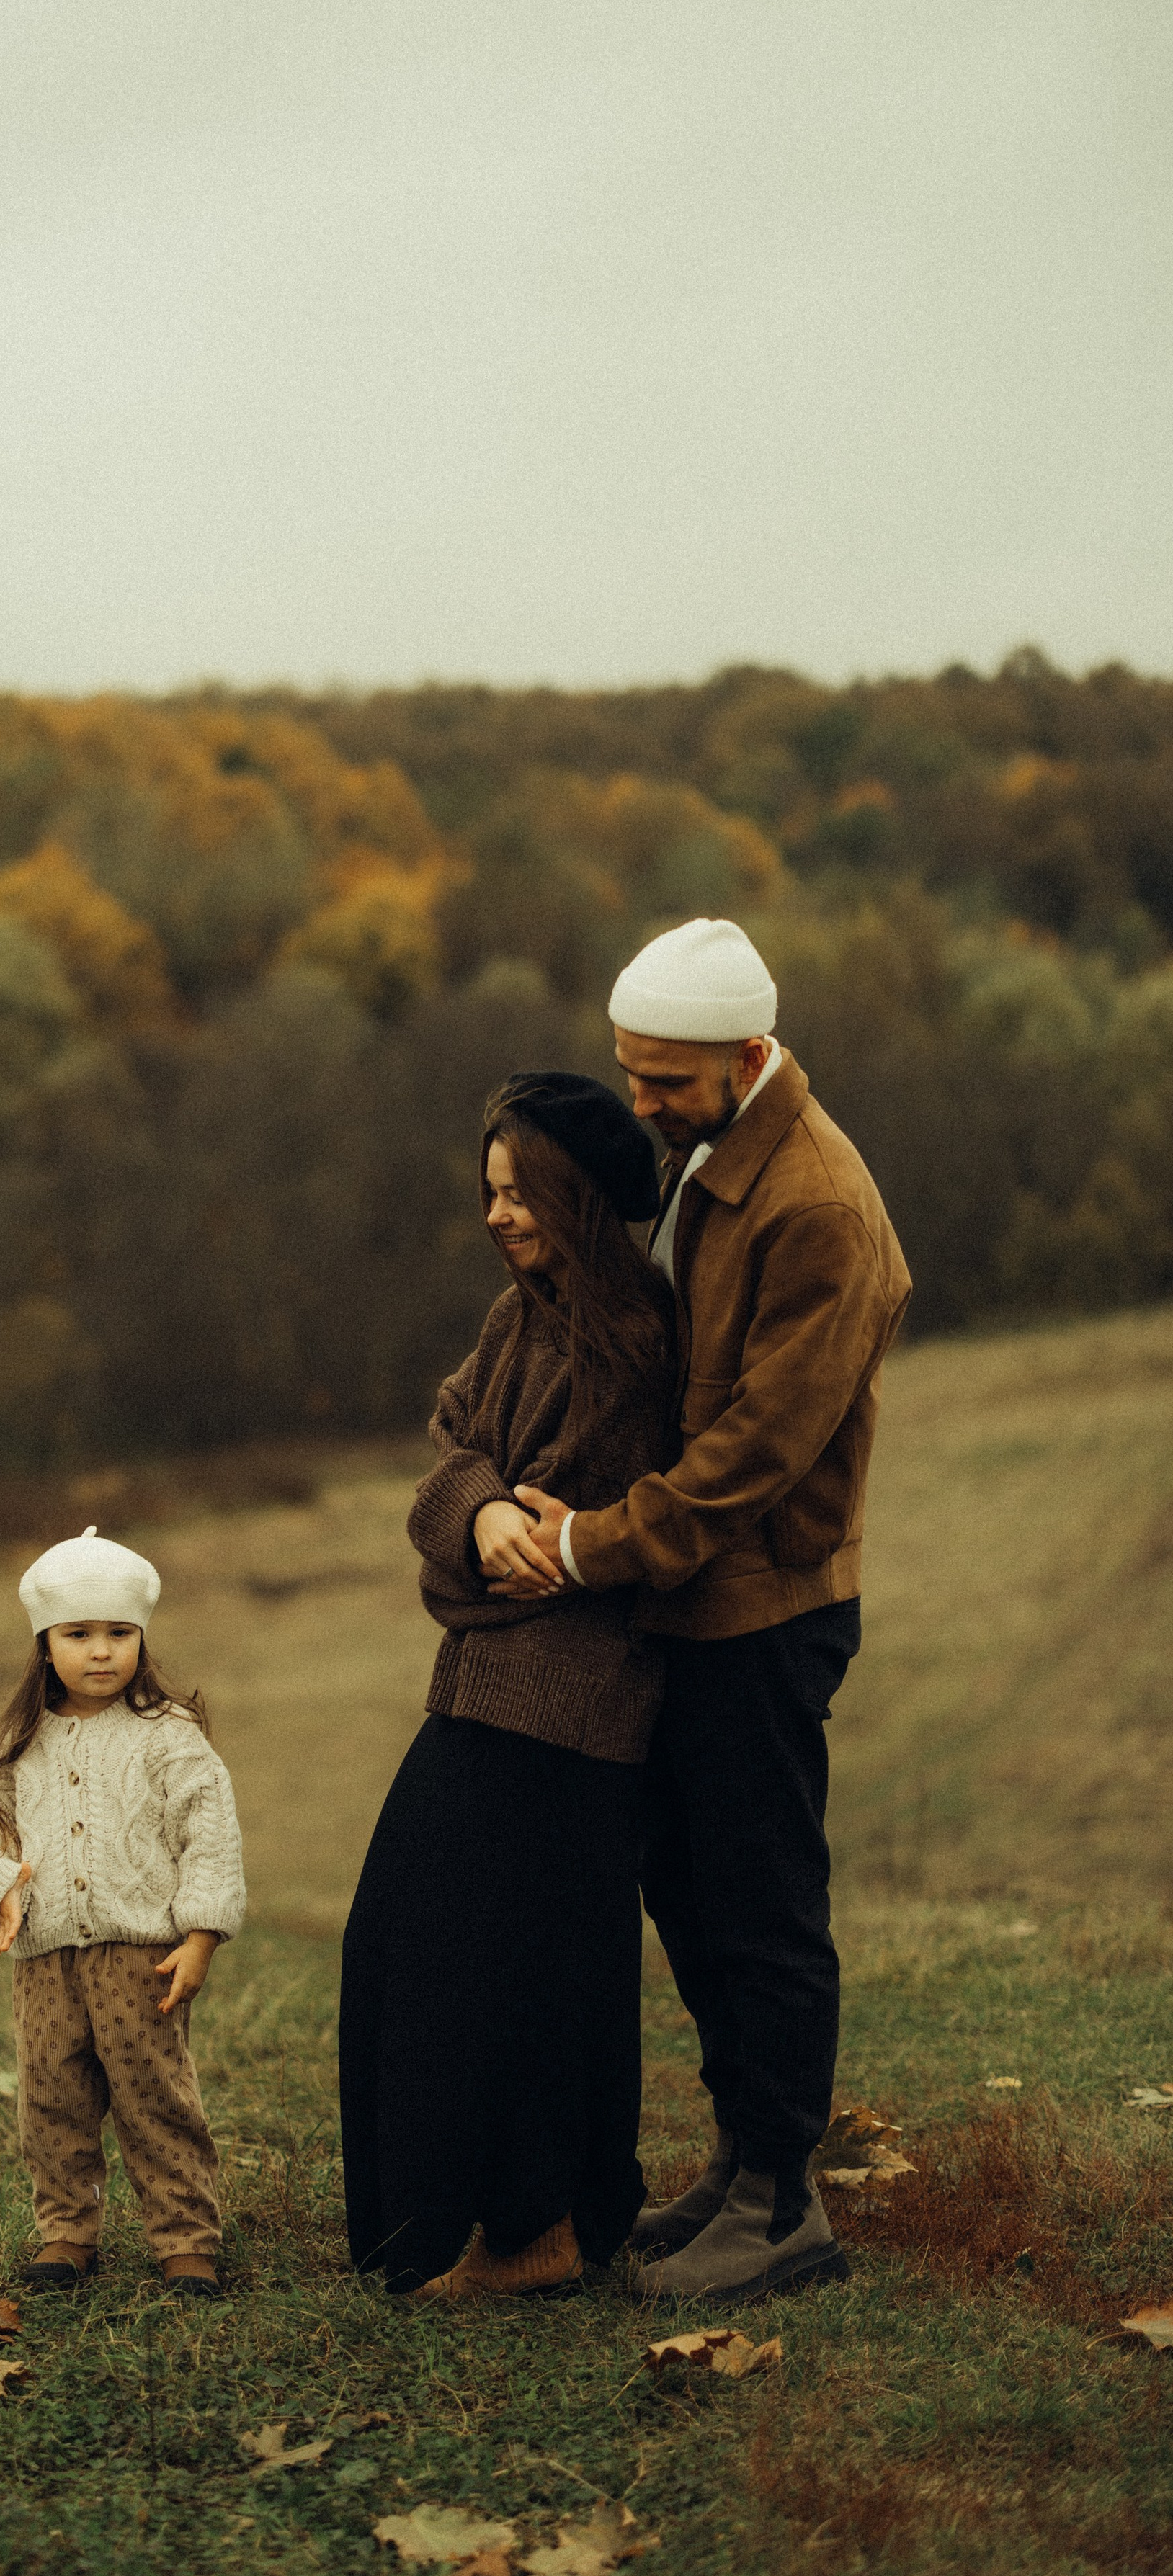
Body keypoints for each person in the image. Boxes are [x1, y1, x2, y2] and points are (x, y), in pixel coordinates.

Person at [513, 918, 912, 2305]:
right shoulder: (708, 1154)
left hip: (759, 1607)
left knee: (761, 1904)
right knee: (686, 1891)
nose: (643, 1107)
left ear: (747, 1058)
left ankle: (788, 2204)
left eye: (666, 1082)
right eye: (632, 1075)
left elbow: (755, 1449)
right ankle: (744, 2165)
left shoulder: (818, 1206)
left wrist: (590, 1548)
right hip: (686, 1606)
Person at [339, 1073, 677, 2297]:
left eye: (518, 1192)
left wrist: (480, 1540)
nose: (496, 1214)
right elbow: (452, 1448)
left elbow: (561, 1555)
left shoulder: (628, 1345)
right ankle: (499, 2226)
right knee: (426, 1944)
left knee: (508, 1966)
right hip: (492, 1679)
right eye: (486, 1191)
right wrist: (475, 1513)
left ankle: (533, 2231)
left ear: (577, 1195)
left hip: (572, 1708)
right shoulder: (519, 1313)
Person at [0, 1526, 246, 2299]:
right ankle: (68, 2230)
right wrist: (3, 1889)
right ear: (44, 1644)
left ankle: (185, 2241)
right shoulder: (19, 1742)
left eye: (119, 1633)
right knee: (52, 2095)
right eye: (78, 1634)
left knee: (154, 2096)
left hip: (139, 1954)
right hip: (46, 1958)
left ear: (141, 1639)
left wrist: (201, 1935)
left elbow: (209, 1835)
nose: (100, 1651)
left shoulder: (169, 1739)